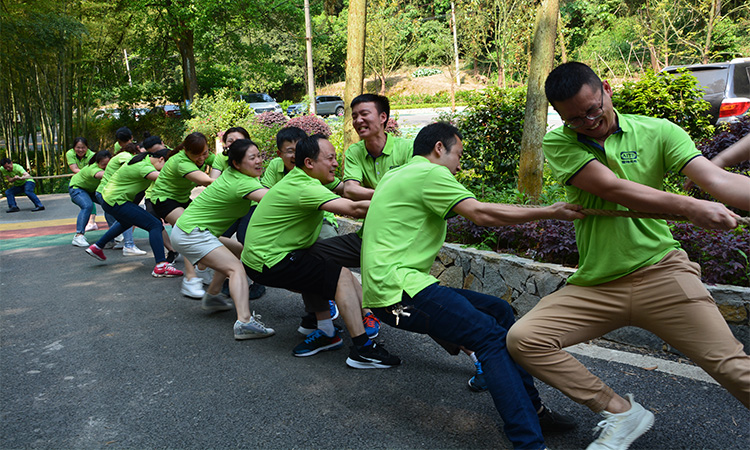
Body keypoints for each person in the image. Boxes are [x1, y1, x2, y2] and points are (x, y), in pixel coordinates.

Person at [505, 62, 750, 450]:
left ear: (606, 89)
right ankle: (621, 411)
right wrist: (689, 207)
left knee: (734, 369)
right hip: (598, 284)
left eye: (592, 108)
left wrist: (711, 200)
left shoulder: (658, 131)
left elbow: (717, 179)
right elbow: (612, 188)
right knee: (525, 338)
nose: (588, 121)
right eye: (575, 118)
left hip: (663, 273)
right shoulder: (560, 142)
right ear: (560, 116)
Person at [360, 122, 582, 449]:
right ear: (439, 148)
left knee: (499, 311)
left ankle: (535, 410)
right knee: (489, 338)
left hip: (392, 290)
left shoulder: (396, 174)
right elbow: (479, 213)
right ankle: (529, 442)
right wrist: (550, 211)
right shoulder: (430, 174)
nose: (459, 164)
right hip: (399, 292)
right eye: (458, 154)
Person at [241, 134, 399, 368]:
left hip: (264, 258)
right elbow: (354, 209)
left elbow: (348, 191)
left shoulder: (303, 177)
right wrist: (403, 199)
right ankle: (363, 349)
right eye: (331, 158)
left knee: (318, 259)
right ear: (309, 163)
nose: (336, 163)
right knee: (340, 275)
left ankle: (327, 331)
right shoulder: (304, 187)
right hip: (270, 261)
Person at [171, 138, 274, 339]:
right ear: (236, 163)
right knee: (235, 267)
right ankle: (244, 322)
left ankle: (213, 295)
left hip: (190, 231)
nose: (259, 161)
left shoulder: (234, 174)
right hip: (192, 233)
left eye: (259, 156)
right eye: (252, 158)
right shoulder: (241, 182)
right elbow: (276, 200)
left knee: (238, 251)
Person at [263, 126, 343, 335]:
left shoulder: (317, 173)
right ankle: (344, 319)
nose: (295, 154)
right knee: (326, 270)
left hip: (317, 221)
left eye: (299, 149)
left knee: (324, 258)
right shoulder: (298, 180)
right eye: (290, 150)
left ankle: (318, 319)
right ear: (280, 153)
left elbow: (345, 190)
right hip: (287, 234)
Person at [85, 148, 184, 278]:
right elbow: (165, 179)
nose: (165, 169)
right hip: (116, 200)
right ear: (161, 159)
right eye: (167, 165)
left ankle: (97, 247)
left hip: (111, 198)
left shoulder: (143, 160)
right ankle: (161, 265)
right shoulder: (144, 166)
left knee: (126, 222)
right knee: (155, 225)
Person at [151, 132, 216, 299]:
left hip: (181, 199)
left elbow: (219, 162)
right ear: (187, 151)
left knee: (206, 229)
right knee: (189, 230)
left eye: (205, 153)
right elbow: (207, 180)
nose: (202, 158)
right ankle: (190, 279)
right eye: (197, 155)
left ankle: (201, 269)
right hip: (164, 200)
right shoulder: (180, 161)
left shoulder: (202, 155)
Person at [207, 126, 266, 300]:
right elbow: (213, 181)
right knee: (218, 240)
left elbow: (258, 190)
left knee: (246, 240)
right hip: (230, 207)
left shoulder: (250, 161)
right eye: (230, 140)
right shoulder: (221, 160)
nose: (233, 143)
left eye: (238, 140)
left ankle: (257, 281)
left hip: (249, 206)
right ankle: (223, 281)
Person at [342, 94, 413, 201]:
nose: (358, 120)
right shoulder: (354, 151)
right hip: (371, 216)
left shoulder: (408, 148)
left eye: (364, 114)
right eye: (354, 116)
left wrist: (370, 194)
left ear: (383, 117)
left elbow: (414, 187)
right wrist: (390, 196)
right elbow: (350, 190)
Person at [69, 150, 111, 247]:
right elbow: (100, 175)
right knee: (87, 206)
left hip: (92, 190)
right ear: (97, 163)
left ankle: (114, 234)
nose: (106, 166)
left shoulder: (108, 168)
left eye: (108, 164)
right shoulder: (93, 168)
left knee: (109, 204)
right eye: (103, 164)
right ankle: (78, 236)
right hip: (77, 188)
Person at [66, 137, 97, 230]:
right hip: (79, 181)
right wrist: (87, 173)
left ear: (87, 147)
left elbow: (94, 169)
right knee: (84, 202)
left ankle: (92, 221)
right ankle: (81, 232)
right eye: (78, 147)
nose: (80, 150)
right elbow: (74, 169)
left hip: (91, 181)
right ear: (73, 147)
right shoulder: (70, 153)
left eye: (83, 147)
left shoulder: (93, 155)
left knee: (91, 202)